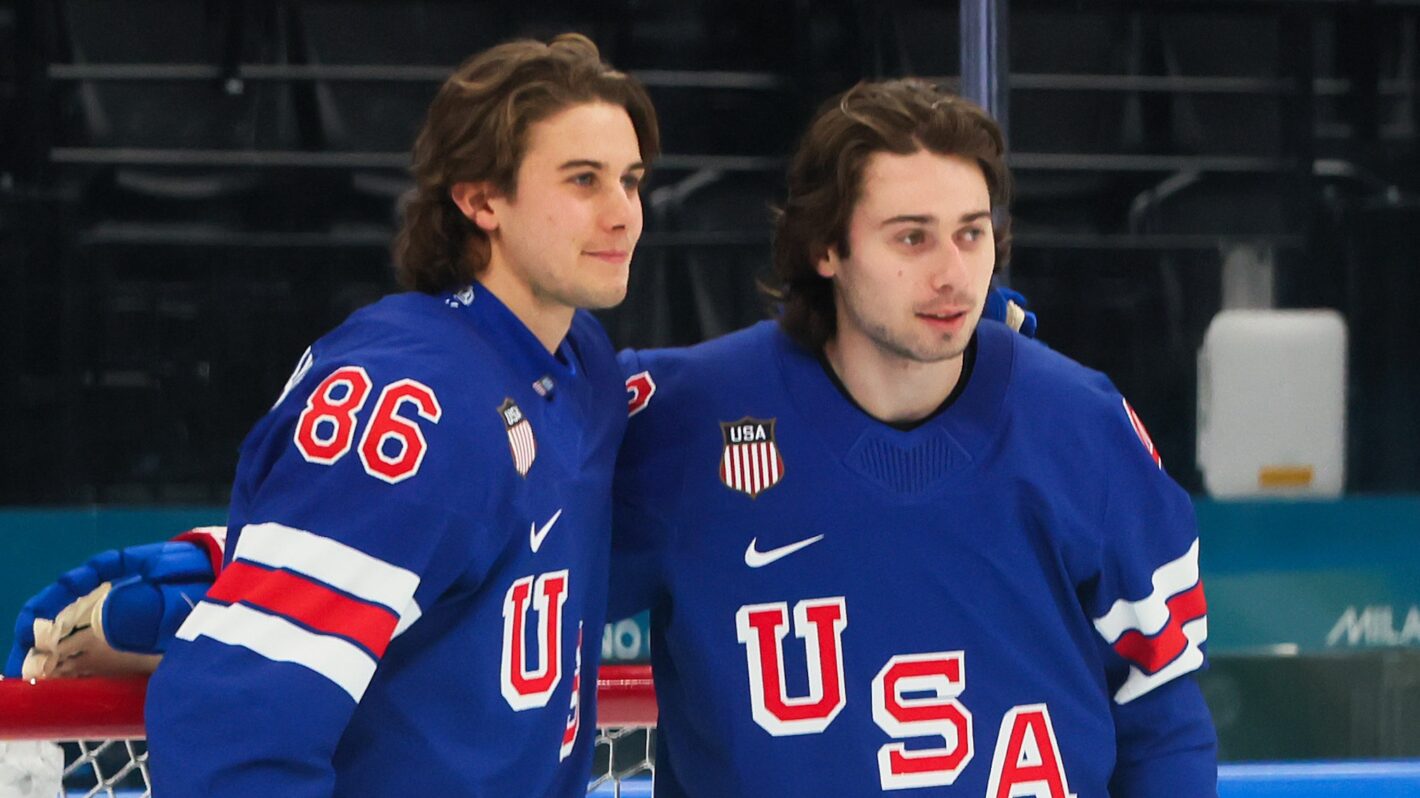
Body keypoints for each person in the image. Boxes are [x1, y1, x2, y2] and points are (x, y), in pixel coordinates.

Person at [609, 79, 1216, 796]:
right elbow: (513, 615)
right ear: (826, 248)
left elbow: (1163, 710)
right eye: (911, 237)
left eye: (971, 232)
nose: (953, 274)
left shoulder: (1081, 426)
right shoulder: (686, 421)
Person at [137, 33, 655, 796]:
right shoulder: (409, 395)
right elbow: (231, 728)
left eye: (632, 180)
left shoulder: (581, 363)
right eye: (583, 180)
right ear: (480, 198)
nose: (624, 215)